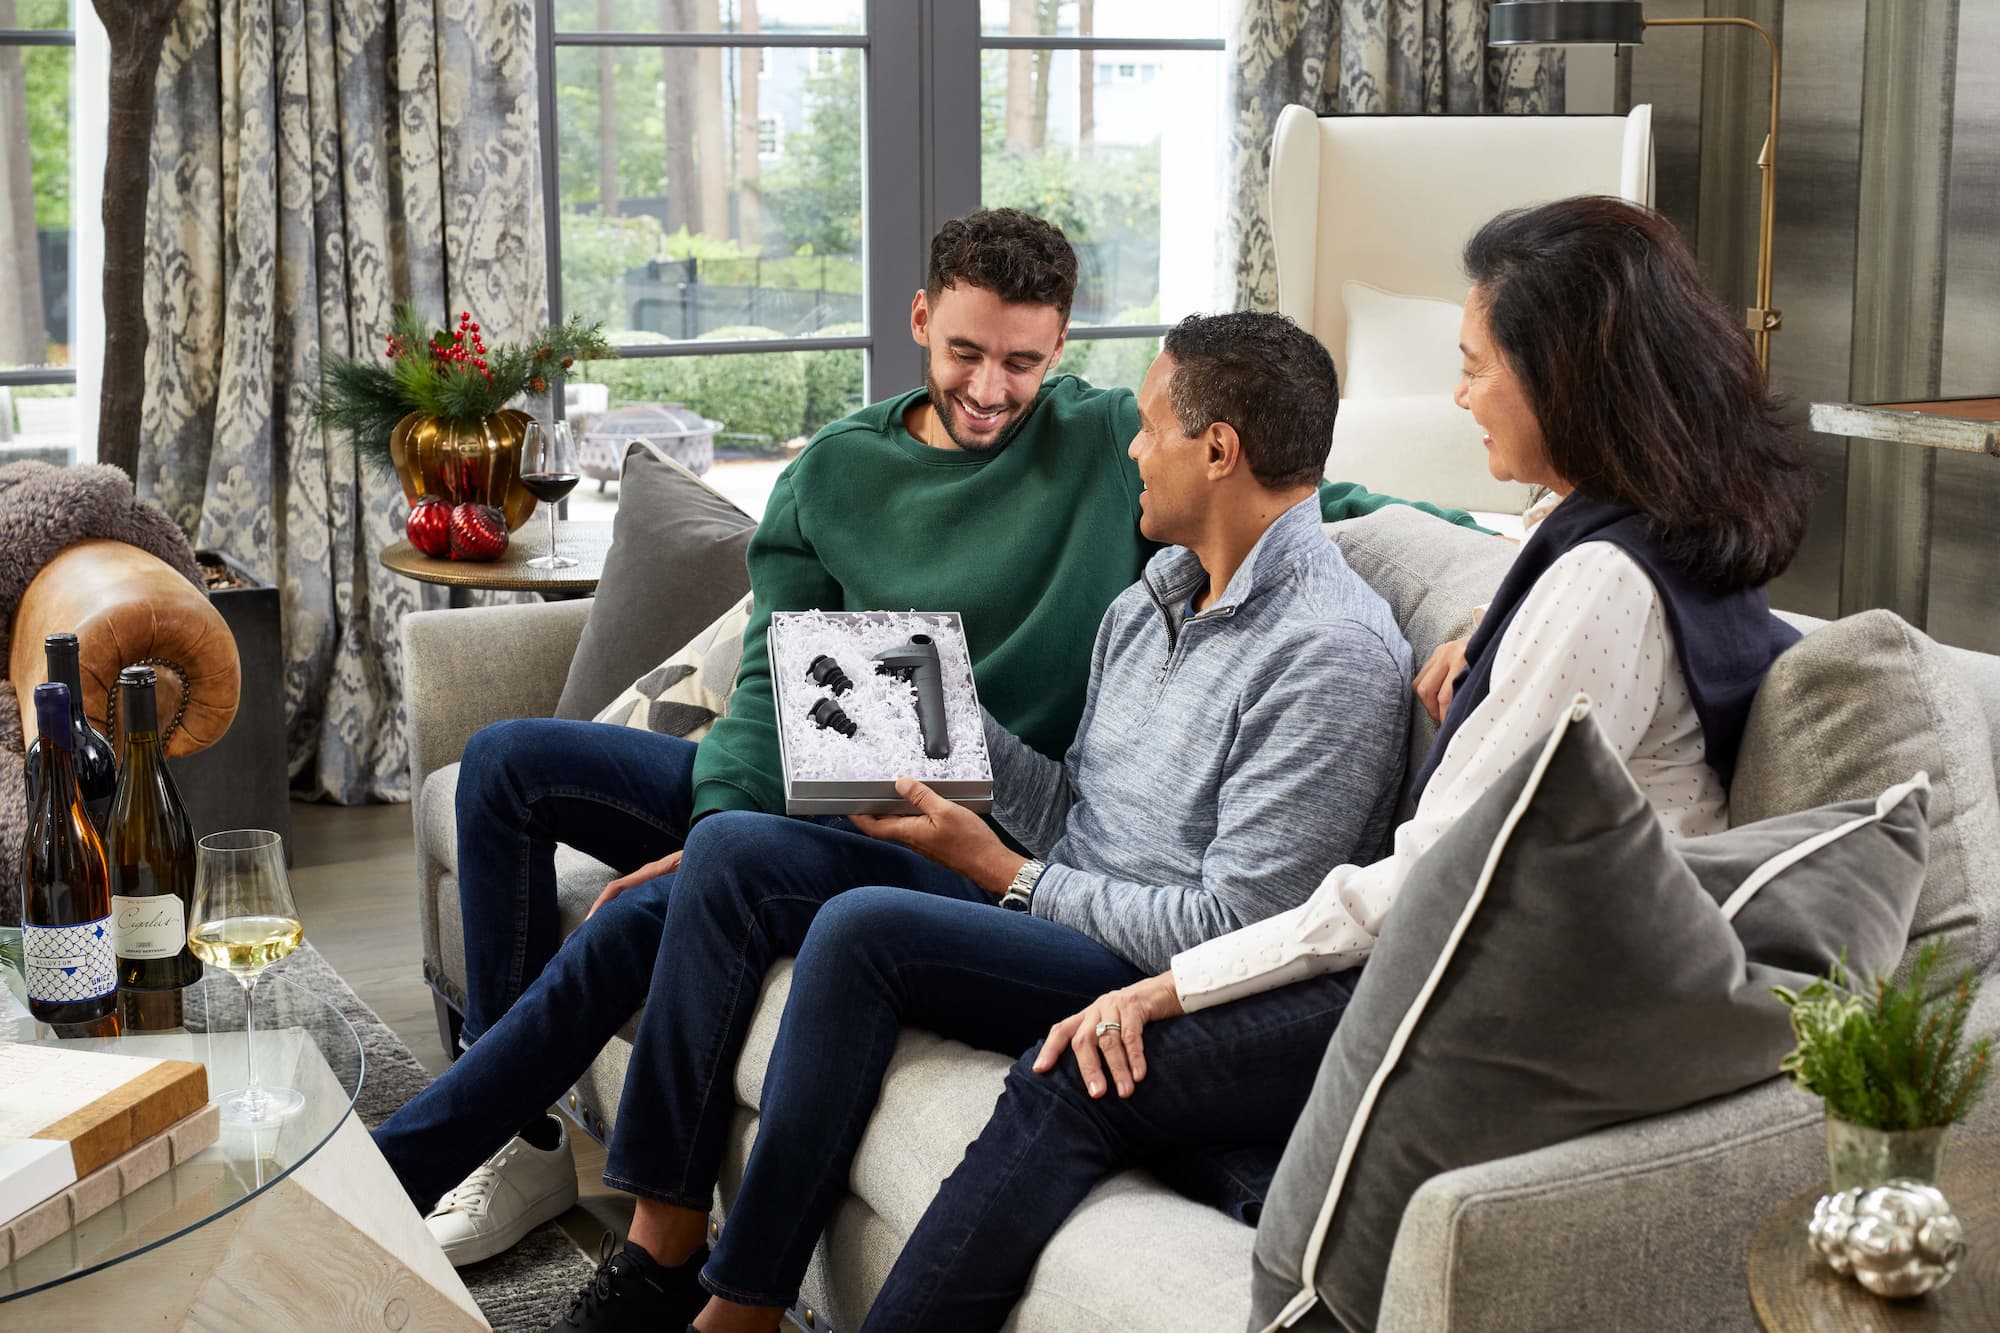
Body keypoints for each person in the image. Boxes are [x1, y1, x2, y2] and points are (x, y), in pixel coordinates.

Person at [383, 210, 1486, 1267]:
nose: (991, 388)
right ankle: (522, 1145)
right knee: (506, 764)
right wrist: (724, 819)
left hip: (990, 820)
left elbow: (1307, 489)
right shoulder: (842, 468)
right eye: (966, 351)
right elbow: (773, 678)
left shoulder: (1118, 444)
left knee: (680, 902)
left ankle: (493, 1190)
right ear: (919, 319)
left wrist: (1504, 586)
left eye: (1023, 361)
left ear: (1058, 348)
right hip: (845, 770)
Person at [860, 194, 1817, 1333]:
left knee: (1080, 1071)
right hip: (1479, 956)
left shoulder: (1593, 586)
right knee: (1137, 1080)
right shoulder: (1641, 532)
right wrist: (1489, 632)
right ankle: (1259, 1184)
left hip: (1483, 992)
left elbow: (1427, 881)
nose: (1458, 394)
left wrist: (1173, 985)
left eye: (1473, 364)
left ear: (1561, 375)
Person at [535, 309, 1415, 1333]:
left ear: (1216, 450)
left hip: (1143, 975)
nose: (1130, 449)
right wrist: (938, 722)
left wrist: (1007, 873)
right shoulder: (1151, 600)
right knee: (734, 849)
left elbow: (1239, 932)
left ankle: (740, 1307)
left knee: (863, 929)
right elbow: (1074, 804)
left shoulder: (1327, 654)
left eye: (1147, 427)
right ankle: (659, 1250)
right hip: (1047, 901)